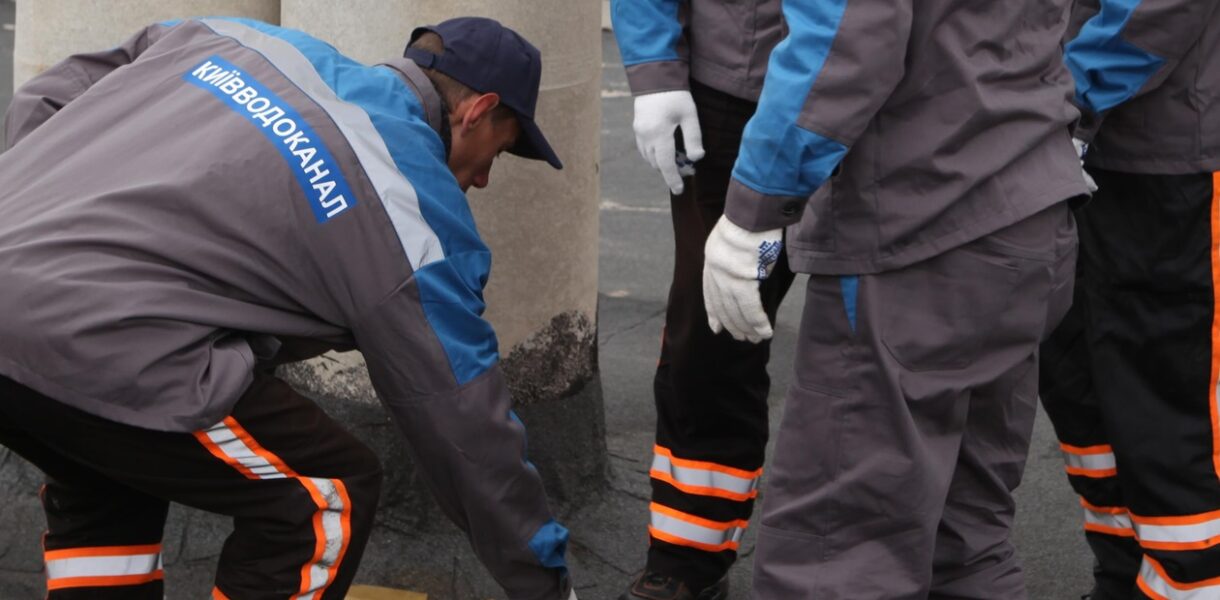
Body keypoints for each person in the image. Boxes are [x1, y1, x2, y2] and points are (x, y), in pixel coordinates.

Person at [0, 16, 577, 600]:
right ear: (477, 110)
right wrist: (543, 583)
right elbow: (462, 420)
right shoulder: (408, 198)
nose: (479, 180)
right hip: (106, 337)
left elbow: (48, 95)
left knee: (110, 461)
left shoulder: (233, 38)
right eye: (496, 155)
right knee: (326, 495)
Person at [701, 0, 1092, 596]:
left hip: (919, 226)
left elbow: (845, 37)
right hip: (1028, 205)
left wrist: (754, 206)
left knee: (838, 550)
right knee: (965, 533)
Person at [609, 1, 792, 599]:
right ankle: (688, 558)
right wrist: (656, 67)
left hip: (898, 106)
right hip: (736, 97)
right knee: (713, 331)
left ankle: (886, 553)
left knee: (887, 340)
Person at [1038, 0, 1220, 597]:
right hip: (1081, 141)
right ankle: (1125, 577)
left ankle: (1191, 583)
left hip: (1170, 156)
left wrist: (1068, 101)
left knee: (1170, 405)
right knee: (1084, 386)